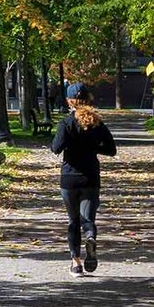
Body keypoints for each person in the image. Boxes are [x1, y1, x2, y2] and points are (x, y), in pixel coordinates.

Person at [50, 93, 117, 276]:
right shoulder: (97, 122)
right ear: (88, 99)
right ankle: (90, 237)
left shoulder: (66, 123)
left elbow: (56, 148)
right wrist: (93, 148)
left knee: (73, 221)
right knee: (88, 219)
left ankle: (76, 263)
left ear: (69, 101)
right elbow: (112, 150)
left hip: (69, 178)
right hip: (91, 178)